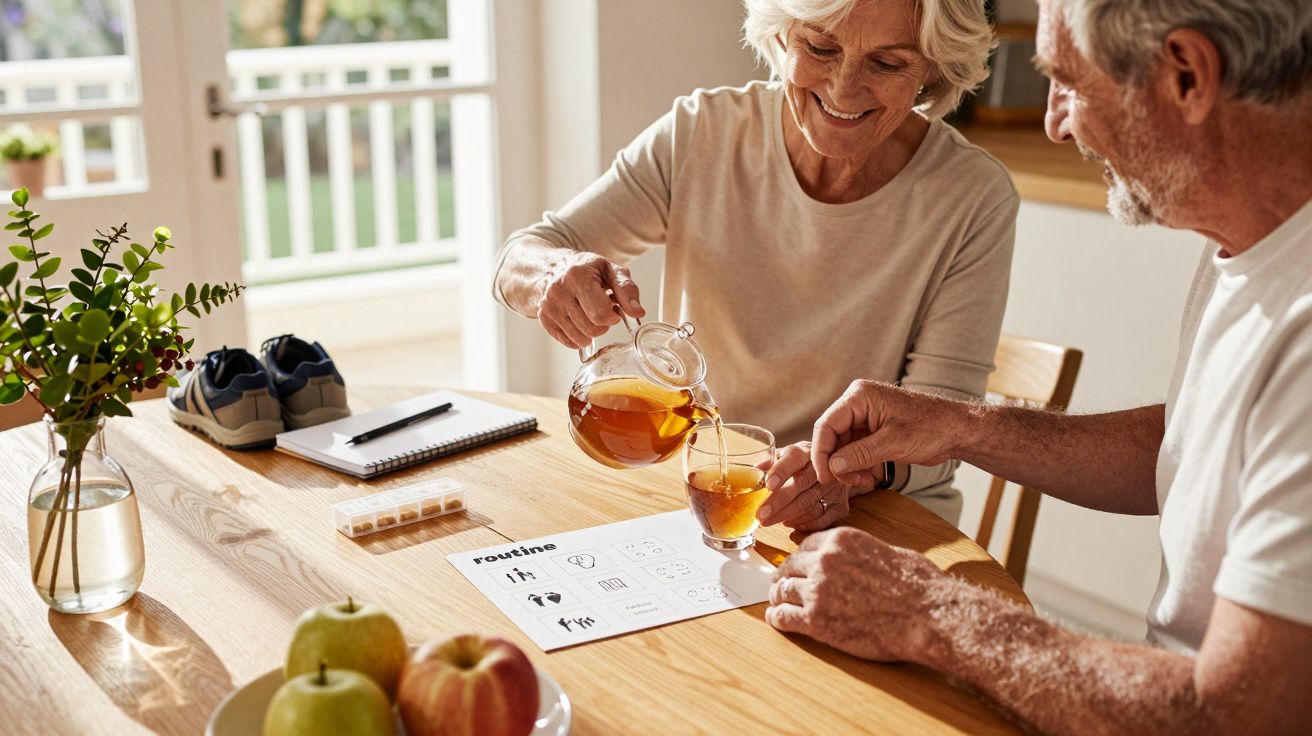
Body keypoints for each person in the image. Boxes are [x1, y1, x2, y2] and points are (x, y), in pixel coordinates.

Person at [760, 0, 1312, 731]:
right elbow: (1192, 450)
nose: (1055, 122)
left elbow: (1238, 715)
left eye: (1070, 83)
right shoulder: (1253, 240)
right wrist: (956, 427)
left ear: (1187, 75)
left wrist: (934, 611)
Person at [491, 0, 1019, 524]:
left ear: (932, 68)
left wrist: (854, 471)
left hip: (871, 515)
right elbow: (523, 254)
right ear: (783, 36)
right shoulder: (702, 132)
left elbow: (943, 430)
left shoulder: (972, 196)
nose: (843, 88)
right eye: (820, 46)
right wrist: (552, 274)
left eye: (887, 63)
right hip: (706, 497)